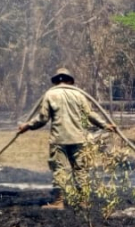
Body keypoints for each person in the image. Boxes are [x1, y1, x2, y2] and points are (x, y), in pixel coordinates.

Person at [17, 67, 116, 209]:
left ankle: (59, 202)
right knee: (80, 169)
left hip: (59, 139)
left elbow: (43, 118)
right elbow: (90, 115)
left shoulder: (50, 95)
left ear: (57, 80)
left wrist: (27, 126)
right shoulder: (79, 95)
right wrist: (105, 125)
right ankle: (83, 201)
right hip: (78, 138)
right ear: (70, 80)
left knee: (59, 170)